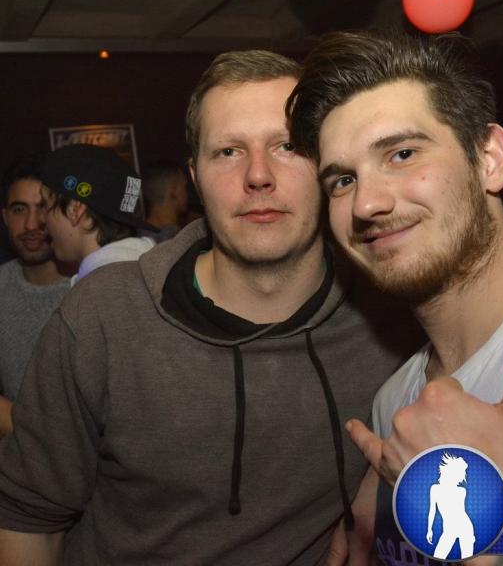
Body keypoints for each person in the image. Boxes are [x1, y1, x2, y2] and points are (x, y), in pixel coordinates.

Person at [0, 50, 425, 565]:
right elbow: (29, 522)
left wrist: (383, 493)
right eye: (227, 151)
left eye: (288, 146)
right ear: (195, 178)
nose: (258, 175)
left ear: (327, 164)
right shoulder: (103, 317)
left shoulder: (390, 314)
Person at [287, 30, 503, 565]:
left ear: (489, 159)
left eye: (402, 153)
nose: (366, 204)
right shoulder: (395, 406)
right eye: (342, 181)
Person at [0, 156, 69, 436]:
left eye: (42, 207)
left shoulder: (90, 287)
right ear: (5, 217)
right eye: (19, 210)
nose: (31, 224)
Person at [39, 143, 156, 285]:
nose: (41, 218)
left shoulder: (100, 290)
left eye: (45, 204)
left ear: (75, 210)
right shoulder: (150, 269)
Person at [139, 159, 189, 241]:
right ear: (173, 193)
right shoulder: (180, 240)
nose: (186, 193)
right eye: (184, 187)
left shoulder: (138, 238)